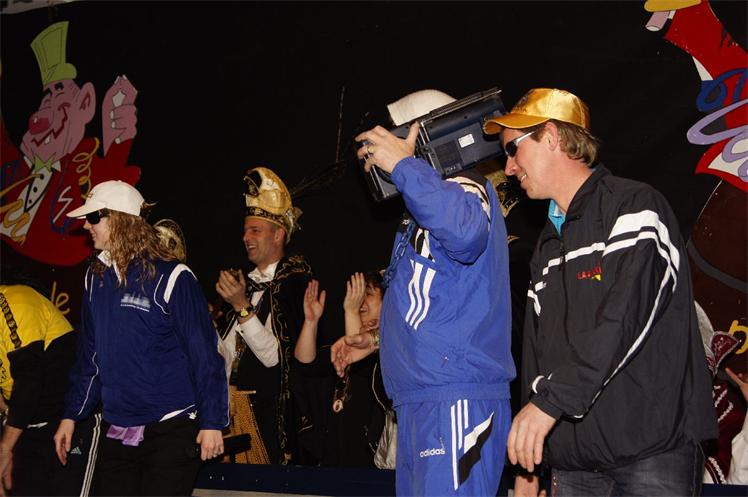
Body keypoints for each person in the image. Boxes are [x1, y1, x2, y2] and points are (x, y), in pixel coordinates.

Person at [482, 88, 718, 496]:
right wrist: (529, 467)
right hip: (574, 464)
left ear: (551, 137)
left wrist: (548, 406)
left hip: (652, 453)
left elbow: (623, 320)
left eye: (513, 149)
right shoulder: (547, 244)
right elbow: (537, 356)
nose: (509, 167)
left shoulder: (635, 207)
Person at [332, 90, 515, 495]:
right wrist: (378, 343)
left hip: (453, 398)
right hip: (422, 401)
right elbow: (438, 303)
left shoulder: (465, 189)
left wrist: (404, 166)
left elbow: (466, 236)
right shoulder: (425, 208)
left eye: (397, 135)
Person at [53, 180, 228, 496]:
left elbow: (204, 354)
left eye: (93, 217)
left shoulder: (173, 276)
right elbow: (90, 357)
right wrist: (70, 416)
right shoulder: (95, 278)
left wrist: (212, 422)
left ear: (120, 219)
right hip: (118, 426)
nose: (86, 225)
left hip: (170, 426)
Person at [215, 167, 316, 465]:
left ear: (279, 235)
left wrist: (242, 307)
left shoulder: (294, 284)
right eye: (245, 230)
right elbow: (228, 357)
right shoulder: (244, 286)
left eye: (255, 230)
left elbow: (275, 358)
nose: (245, 237)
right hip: (230, 415)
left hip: (268, 424)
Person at [0, 270, 96, 497]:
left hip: (67, 422)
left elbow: (29, 380)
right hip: (27, 427)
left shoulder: (15, 301)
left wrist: (5, 447)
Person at [295, 272, 388, 468]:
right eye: (357, 294)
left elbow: (359, 362)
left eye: (367, 294)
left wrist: (351, 312)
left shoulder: (391, 350)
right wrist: (311, 322)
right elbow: (306, 364)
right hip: (333, 462)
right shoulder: (341, 345)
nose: (360, 301)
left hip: (370, 464)